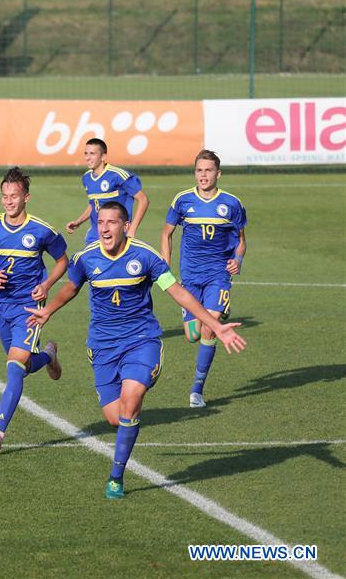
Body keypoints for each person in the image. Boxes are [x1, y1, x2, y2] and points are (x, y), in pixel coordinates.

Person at [25, 202, 246, 499]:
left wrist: (215, 325)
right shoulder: (86, 258)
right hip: (103, 345)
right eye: (100, 222)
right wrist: (48, 310)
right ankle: (128, 420)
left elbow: (177, 291)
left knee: (130, 402)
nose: (104, 228)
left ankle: (116, 478)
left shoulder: (145, 256)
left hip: (141, 340)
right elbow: (71, 288)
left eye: (111, 222)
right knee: (116, 418)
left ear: (126, 226)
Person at [0, 167, 67, 453]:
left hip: (29, 307)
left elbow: (63, 261)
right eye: (5, 196)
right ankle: (48, 355)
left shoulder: (42, 230)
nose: (9, 201)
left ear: (27, 198)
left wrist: (47, 284)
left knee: (13, 367)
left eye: (15, 196)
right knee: (20, 366)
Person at [160, 149, 247, 408]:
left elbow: (241, 242)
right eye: (199, 170)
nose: (203, 175)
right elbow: (166, 234)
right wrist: (164, 266)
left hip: (218, 274)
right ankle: (211, 312)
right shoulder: (182, 200)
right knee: (192, 335)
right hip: (190, 276)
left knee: (210, 327)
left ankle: (197, 390)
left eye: (208, 170)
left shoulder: (231, 204)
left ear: (218, 173)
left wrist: (238, 260)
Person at [65, 138, 149, 244]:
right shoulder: (86, 178)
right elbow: (94, 204)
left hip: (117, 233)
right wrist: (78, 222)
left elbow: (143, 200)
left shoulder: (117, 175)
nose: (87, 158)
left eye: (92, 154)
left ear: (103, 157)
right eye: (86, 153)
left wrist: (132, 229)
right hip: (95, 234)